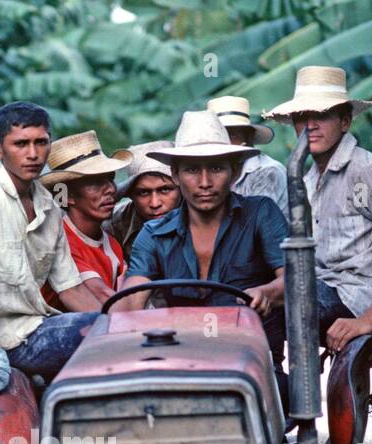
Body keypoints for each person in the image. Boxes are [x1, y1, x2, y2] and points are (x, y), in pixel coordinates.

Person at [262, 65, 372, 351]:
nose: (310, 125)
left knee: (282, 304)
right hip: (321, 291)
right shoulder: (307, 179)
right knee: (249, 298)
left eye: (321, 115)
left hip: (357, 297)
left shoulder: (367, 170)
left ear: (344, 122)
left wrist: (367, 320)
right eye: (302, 117)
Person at [113, 110, 287, 376]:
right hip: (182, 362)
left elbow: (293, 279)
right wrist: (120, 313)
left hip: (253, 362)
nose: (204, 183)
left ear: (235, 170)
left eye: (216, 168)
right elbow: (133, 298)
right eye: (192, 170)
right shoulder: (154, 233)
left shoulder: (261, 213)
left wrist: (266, 292)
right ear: (176, 174)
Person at [0, 101, 104, 395]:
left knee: (111, 334)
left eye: (41, 142)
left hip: (40, 329)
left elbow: (71, 289)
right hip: (6, 343)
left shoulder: (48, 205)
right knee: (96, 332)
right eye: (21, 144)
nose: (33, 154)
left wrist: (120, 327)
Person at [40, 131, 131, 305]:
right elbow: (102, 295)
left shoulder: (112, 245)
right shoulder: (58, 240)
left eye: (110, 179)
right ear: (67, 196)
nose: (110, 189)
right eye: (95, 182)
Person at [207, 95, 287, 216]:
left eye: (232, 135)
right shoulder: (210, 173)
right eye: (218, 136)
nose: (224, 143)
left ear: (248, 136)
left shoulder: (267, 172)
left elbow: (253, 226)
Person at [105, 141, 179, 260]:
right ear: (130, 195)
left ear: (181, 189)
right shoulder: (114, 224)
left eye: (165, 190)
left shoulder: (202, 216)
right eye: (143, 193)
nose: (155, 203)